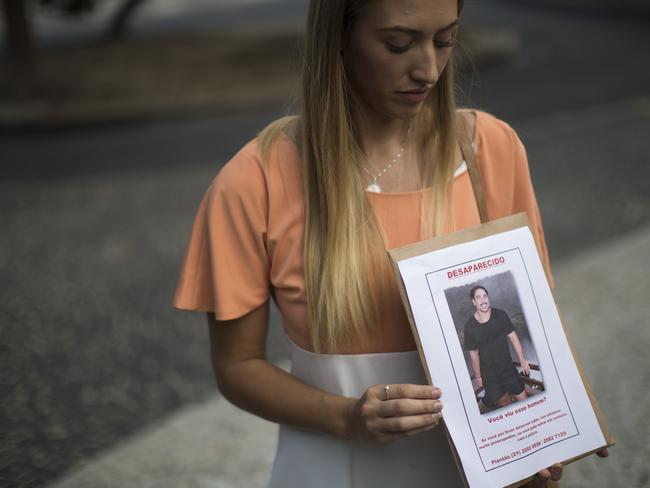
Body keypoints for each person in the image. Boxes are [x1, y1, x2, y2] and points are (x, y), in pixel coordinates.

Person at [174, 0, 606, 485]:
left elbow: (540, 330)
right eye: (398, 44)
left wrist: (537, 443)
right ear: (338, 34)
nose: (428, 69)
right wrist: (345, 417)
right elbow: (238, 366)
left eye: (445, 40)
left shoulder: (493, 150)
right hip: (334, 470)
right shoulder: (256, 180)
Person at [464, 285, 530, 409]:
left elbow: (513, 337)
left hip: (508, 368)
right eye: (478, 298)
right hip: (490, 375)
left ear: (488, 298)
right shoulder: (469, 326)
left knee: (524, 400)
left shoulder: (500, 315)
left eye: (484, 296)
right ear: (474, 302)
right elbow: (473, 354)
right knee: (504, 404)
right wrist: (478, 377)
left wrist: (522, 360)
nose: (483, 300)